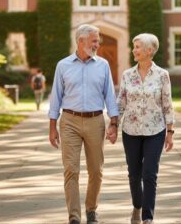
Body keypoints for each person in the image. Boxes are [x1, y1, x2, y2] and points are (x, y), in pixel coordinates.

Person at [48, 24, 118, 224]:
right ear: (81, 41)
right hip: (69, 121)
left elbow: (110, 97)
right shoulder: (63, 65)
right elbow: (56, 97)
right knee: (71, 169)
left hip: (96, 121)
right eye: (94, 41)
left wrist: (114, 124)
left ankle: (92, 210)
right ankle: (74, 216)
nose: (98, 44)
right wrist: (52, 127)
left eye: (98, 41)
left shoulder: (103, 65)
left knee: (96, 170)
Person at [115, 33, 174, 224]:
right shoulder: (127, 75)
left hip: (155, 131)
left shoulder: (162, 75)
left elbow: (167, 104)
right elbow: (121, 102)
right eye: (134, 46)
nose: (134, 50)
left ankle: (148, 217)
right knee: (134, 174)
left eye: (138, 46)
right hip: (130, 131)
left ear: (150, 50)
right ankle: (137, 206)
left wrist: (170, 132)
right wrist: (113, 125)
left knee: (150, 174)